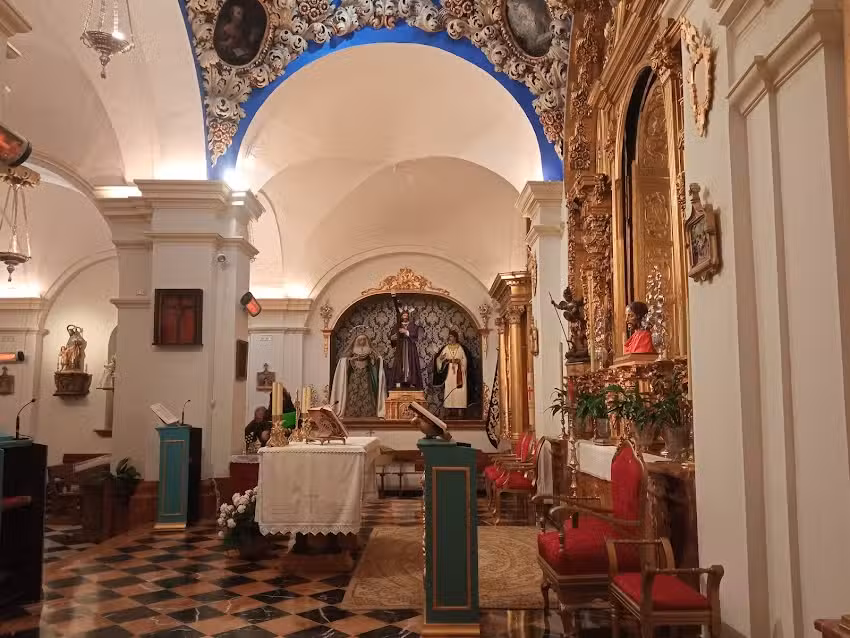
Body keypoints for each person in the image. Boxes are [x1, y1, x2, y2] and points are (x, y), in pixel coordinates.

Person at [330, 332, 387, 418]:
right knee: (353, 392)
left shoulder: (370, 350)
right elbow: (344, 359)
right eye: (360, 339)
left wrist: (373, 359)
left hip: (366, 374)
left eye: (364, 339)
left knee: (367, 391)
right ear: (356, 340)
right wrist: (351, 360)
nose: (362, 341)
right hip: (354, 374)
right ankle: (352, 412)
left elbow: (376, 359)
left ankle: (368, 413)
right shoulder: (352, 349)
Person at [433, 330, 471, 419]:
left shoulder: (460, 348)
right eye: (450, 336)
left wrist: (460, 363)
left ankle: (460, 410)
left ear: (456, 337)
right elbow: (439, 360)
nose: (451, 338)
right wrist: (440, 359)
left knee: (459, 390)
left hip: (459, 371)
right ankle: (449, 410)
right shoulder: (446, 348)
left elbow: (464, 359)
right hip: (449, 372)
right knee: (449, 388)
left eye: (452, 336)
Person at [389, 309, 423, 389]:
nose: (405, 317)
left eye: (406, 315)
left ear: (408, 316)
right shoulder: (397, 325)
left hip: (410, 347)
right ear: (401, 316)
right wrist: (393, 338)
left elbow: (415, 334)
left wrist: (406, 331)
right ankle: (399, 382)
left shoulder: (412, 325)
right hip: (400, 347)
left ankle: (412, 382)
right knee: (399, 364)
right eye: (403, 315)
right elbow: (392, 337)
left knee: (411, 363)